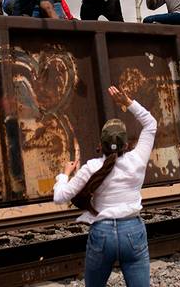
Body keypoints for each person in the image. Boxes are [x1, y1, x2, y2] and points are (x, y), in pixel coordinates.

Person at [53, 86, 157, 287]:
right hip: (132, 231)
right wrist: (128, 103)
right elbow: (150, 124)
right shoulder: (138, 159)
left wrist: (64, 174)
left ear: (101, 144)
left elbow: (60, 197)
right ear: (126, 144)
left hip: (102, 233)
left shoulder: (91, 167)